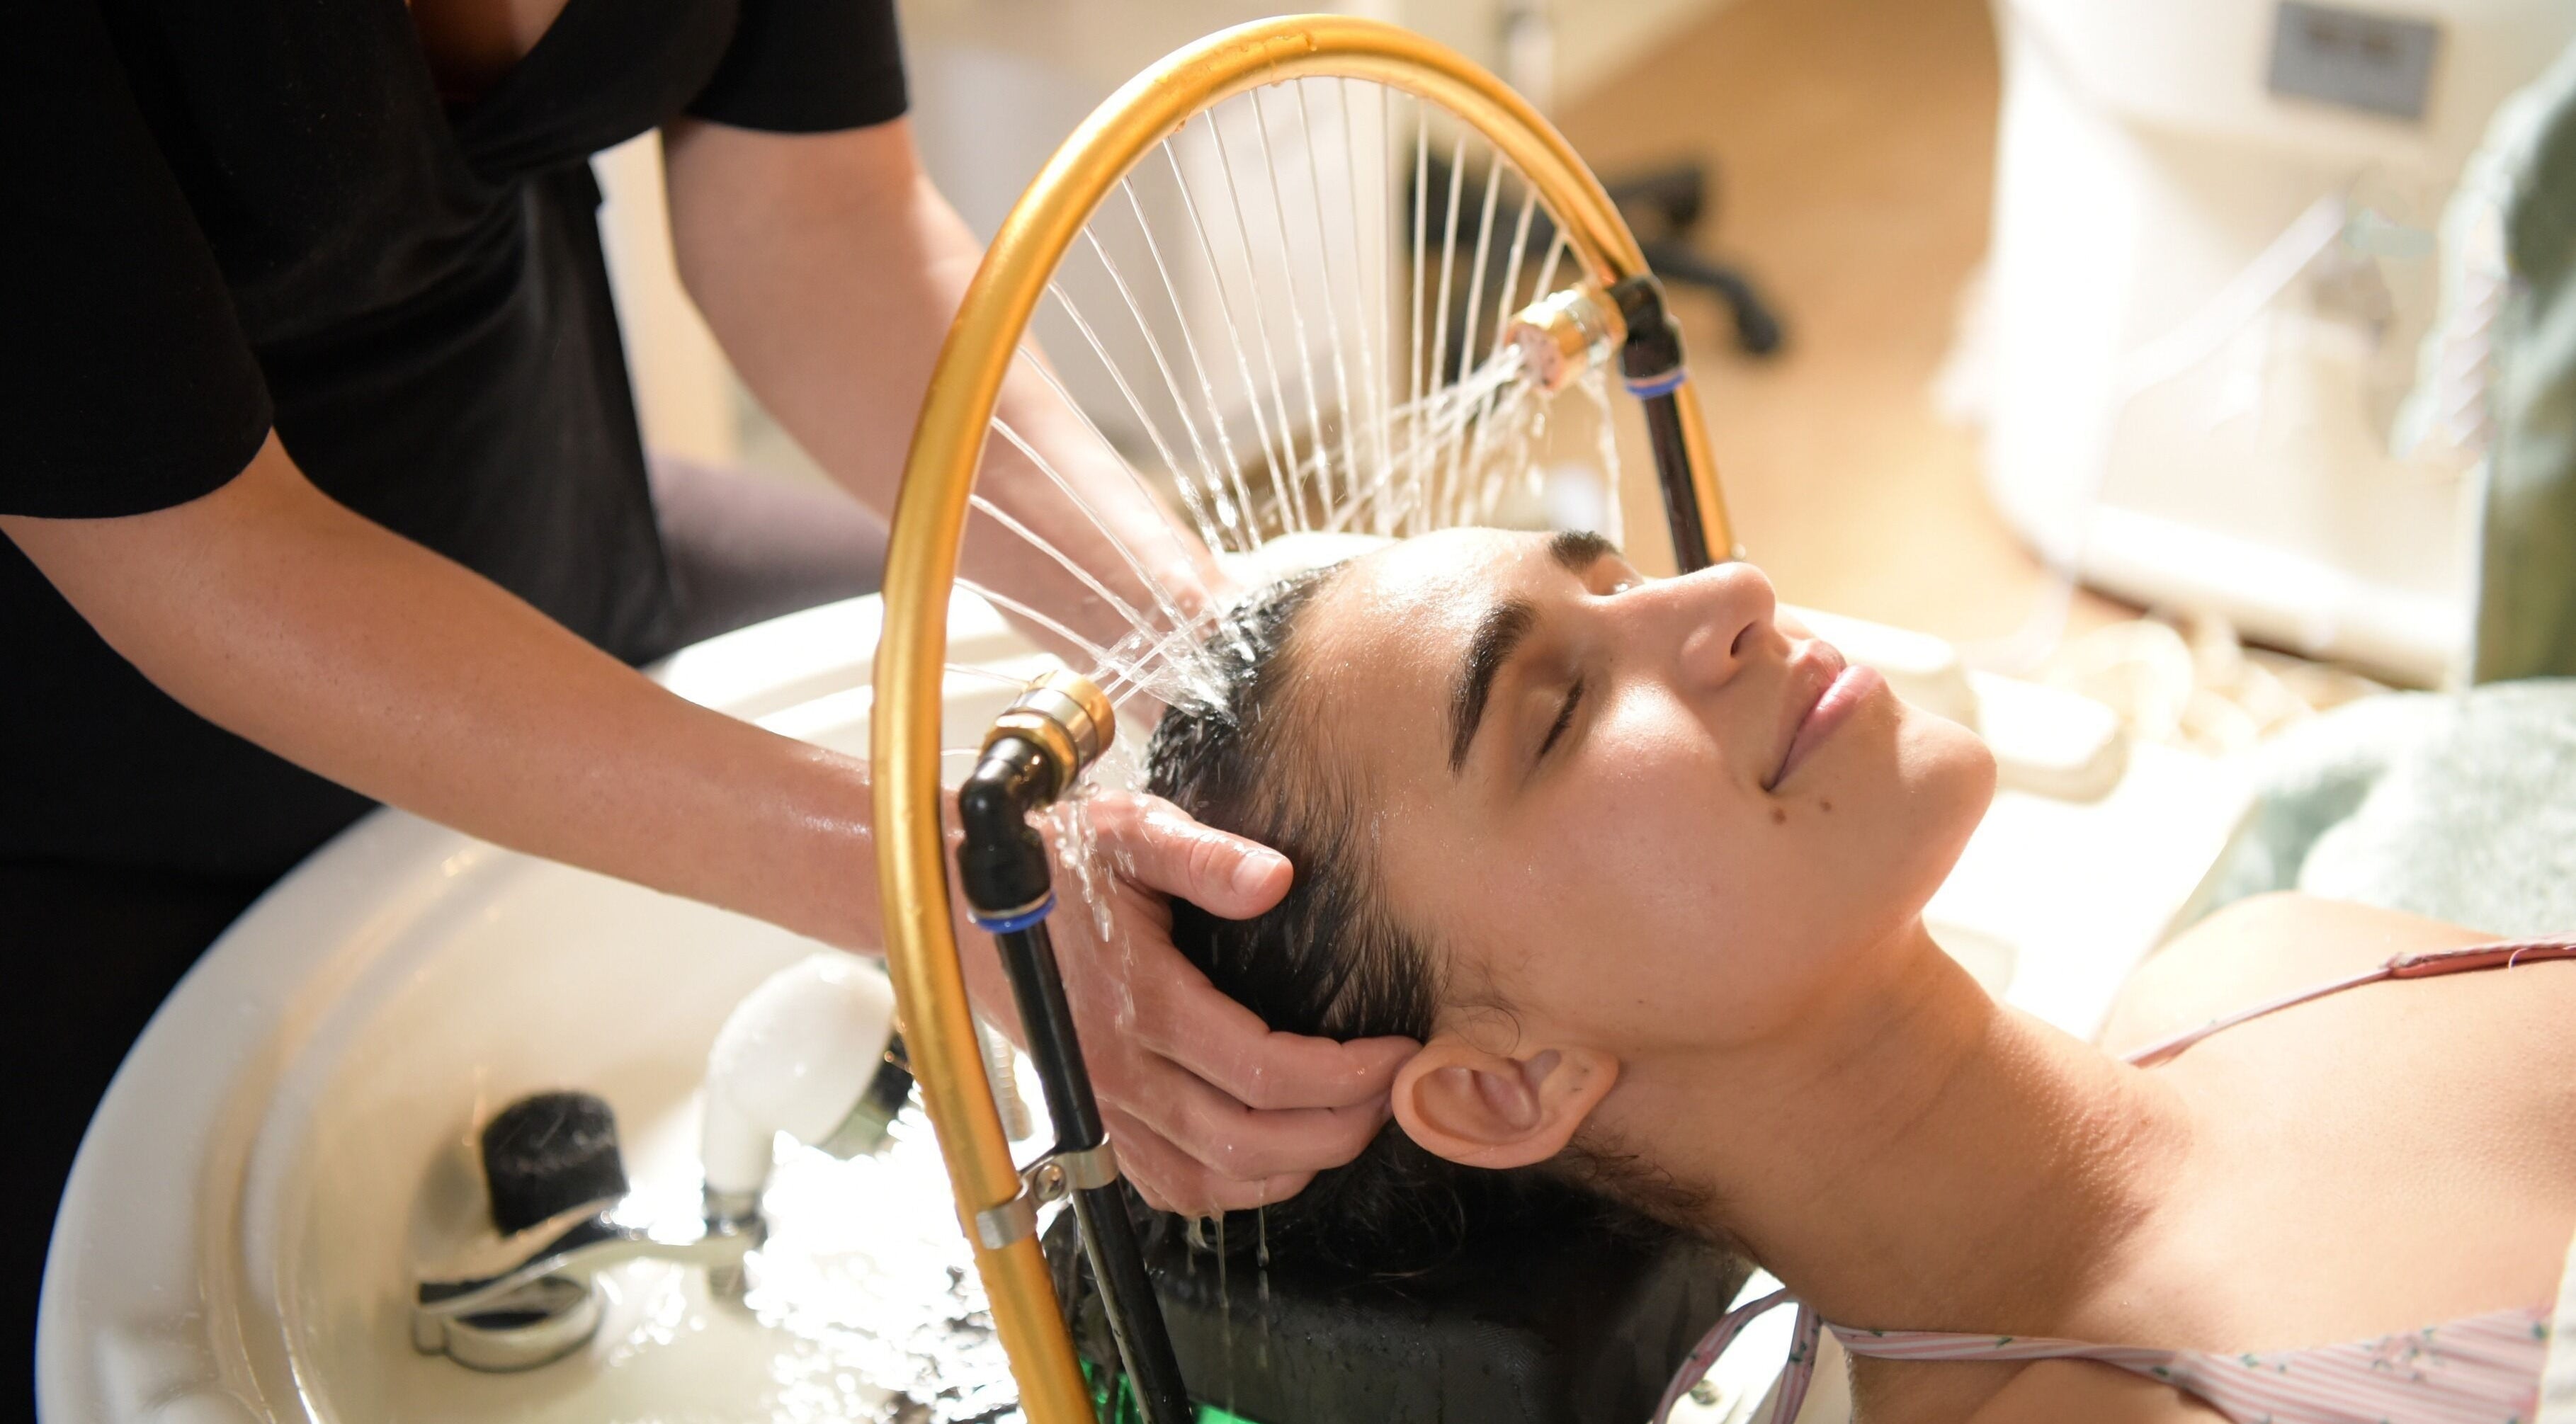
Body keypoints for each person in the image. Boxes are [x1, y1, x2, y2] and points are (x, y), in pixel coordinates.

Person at [2, 0, 1411, 1399]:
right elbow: (188, 551)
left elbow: (815, 220)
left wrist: (1214, 653)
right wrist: (910, 885)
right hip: (123, 761)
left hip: (565, 519)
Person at [1145, 526, 2576, 1423]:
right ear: (1510, 1082)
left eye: (1623, 576)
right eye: (1560, 708)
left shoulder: (2279, 964)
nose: (1734, 594)